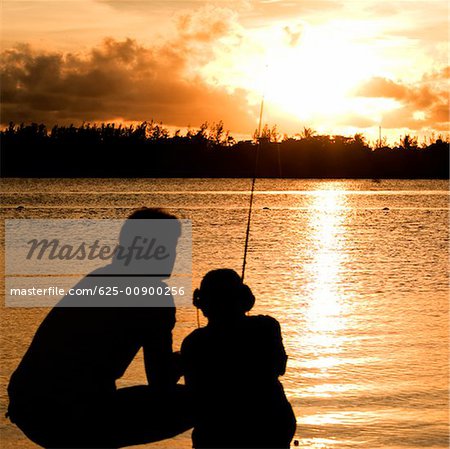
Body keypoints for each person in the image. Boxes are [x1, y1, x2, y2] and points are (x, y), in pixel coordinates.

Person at [7, 208, 193, 448]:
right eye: (169, 246)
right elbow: (160, 380)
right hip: (70, 410)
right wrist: (193, 358)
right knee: (205, 401)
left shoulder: (99, 277)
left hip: (28, 405)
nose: (174, 255)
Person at [181, 269, 296, 449]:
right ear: (245, 300)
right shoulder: (268, 327)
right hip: (273, 427)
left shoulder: (194, 342)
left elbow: (194, 393)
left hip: (217, 434)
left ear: (201, 303)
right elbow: (279, 367)